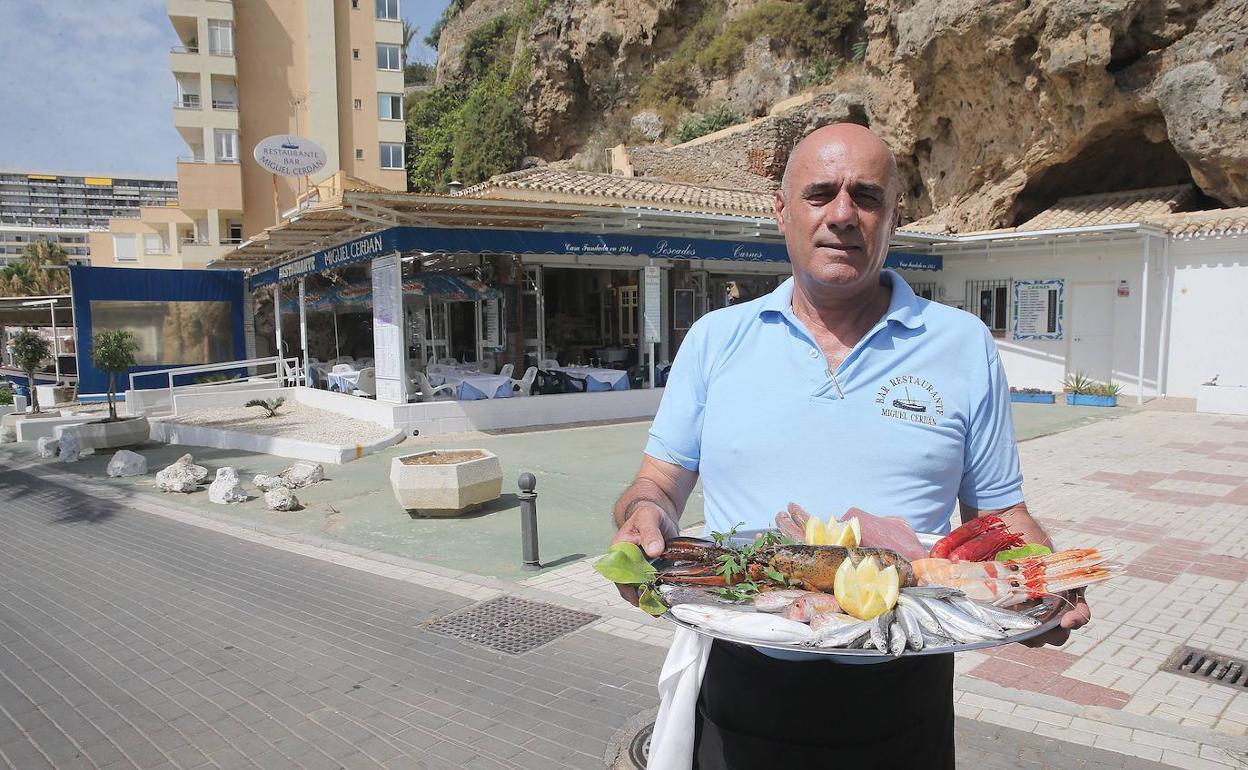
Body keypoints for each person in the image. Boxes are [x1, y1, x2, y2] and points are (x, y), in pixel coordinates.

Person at [608, 123, 1090, 768]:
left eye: (865, 195)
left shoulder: (961, 342)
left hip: (904, 689)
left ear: (894, 216)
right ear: (781, 212)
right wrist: (643, 515)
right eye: (819, 194)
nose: (842, 214)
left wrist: (1044, 581)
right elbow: (658, 484)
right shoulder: (715, 339)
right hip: (742, 681)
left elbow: (1000, 516)